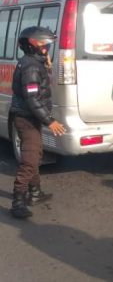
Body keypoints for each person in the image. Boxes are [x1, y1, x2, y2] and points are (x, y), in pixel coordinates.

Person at [10, 26, 66, 219]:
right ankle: (18, 202)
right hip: (27, 117)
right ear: (33, 46)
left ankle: (35, 193)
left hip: (29, 117)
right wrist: (50, 121)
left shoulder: (31, 62)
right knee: (30, 159)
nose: (47, 49)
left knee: (36, 154)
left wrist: (45, 64)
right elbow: (32, 98)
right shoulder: (31, 66)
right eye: (44, 46)